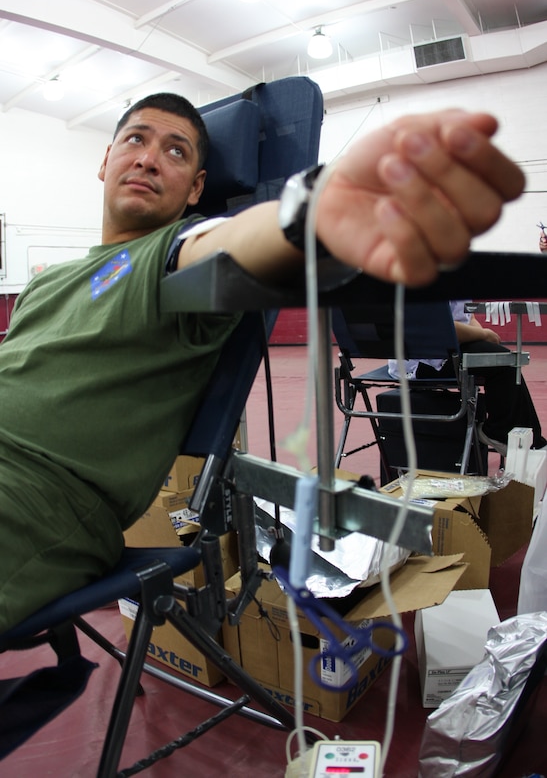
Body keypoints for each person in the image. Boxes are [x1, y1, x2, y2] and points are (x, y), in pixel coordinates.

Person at [0, 94, 526, 633]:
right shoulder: (44, 284)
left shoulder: (173, 254)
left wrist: (320, 203)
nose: (149, 158)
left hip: (31, 499)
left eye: (175, 151)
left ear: (197, 188)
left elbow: (232, 243)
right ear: (106, 158)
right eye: (136, 139)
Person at [387, 300, 546, 456]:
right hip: (423, 359)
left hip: (448, 348)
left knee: (505, 359)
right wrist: (483, 334)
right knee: (504, 362)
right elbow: (441, 328)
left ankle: (530, 439)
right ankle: (500, 433)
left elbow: (469, 318)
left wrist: (481, 335)